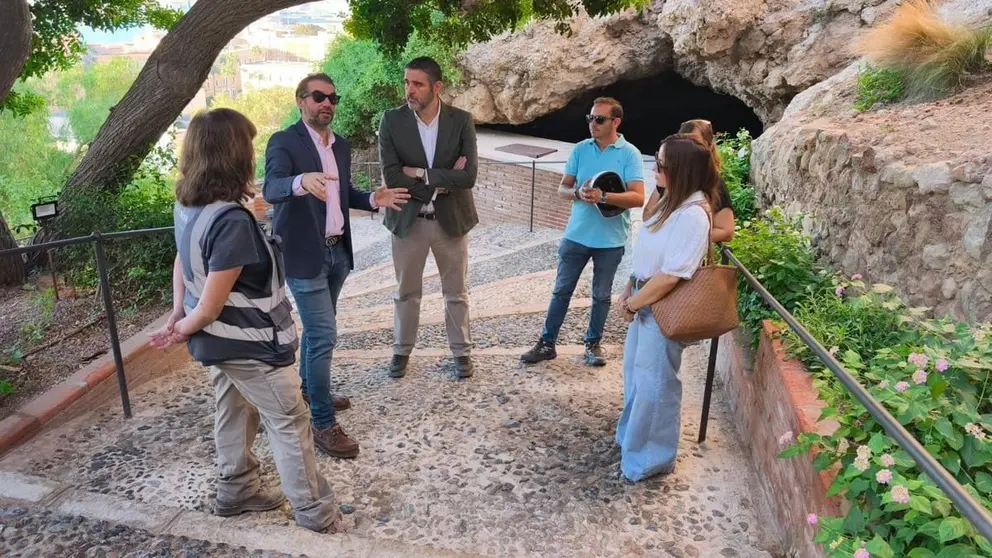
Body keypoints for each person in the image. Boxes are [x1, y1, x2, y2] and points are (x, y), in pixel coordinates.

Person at [149, 108, 343, 533]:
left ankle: (236, 490)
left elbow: (181, 262)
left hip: (219, 344)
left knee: (234, 408)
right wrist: (177, 328)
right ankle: (316, 513)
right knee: (290, 420)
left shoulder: (188, 204)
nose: (254, 153)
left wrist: (178, 312)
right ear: (234, 154)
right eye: (249, 145)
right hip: (250, 343)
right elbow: (214, 305)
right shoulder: (232, 220)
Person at [263, 73, 410, 458]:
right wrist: (299, 181)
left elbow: (344, 194)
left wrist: (372, 198)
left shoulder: (340, 146)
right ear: (301, 101)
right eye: (318, 96)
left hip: (337, 254)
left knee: (316, 332)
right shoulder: (284, 141)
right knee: (324, 334)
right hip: (303, 256)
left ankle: (312, 392)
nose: (326, 103)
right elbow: (271, 187)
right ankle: (322, 423)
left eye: (332, 97)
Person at [615, 133, 719, 482]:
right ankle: (633, 442)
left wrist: (633, 302)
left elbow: (672, 275)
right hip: (646, 301)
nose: (654, 170)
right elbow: (647, 243)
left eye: (661, 165)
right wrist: (631, 285)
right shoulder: (672, 202)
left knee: (655, 385)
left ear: (683, 171)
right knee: (637, 377)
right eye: (655, 162)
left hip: (661, 307)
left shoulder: (693, 215)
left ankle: (650, 459)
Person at [520, 97, 645, 367]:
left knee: (601, 295)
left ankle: (593, 345)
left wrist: (604, 196)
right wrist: (577, 192)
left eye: (599, 119)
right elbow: (562, 189)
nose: (593, 124)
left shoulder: (630, 154)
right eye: (590, 118)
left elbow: (638, 198)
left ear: (616, 122)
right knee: (561, 291)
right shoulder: (580, 150)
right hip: (575, 235)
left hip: (610, 241)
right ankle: (546, 343)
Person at [378, 56, 479, 379]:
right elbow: (392, 175)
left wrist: (421, 173)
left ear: (437, 87)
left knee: (456, 292)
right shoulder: (391, 121)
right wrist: (441, 180)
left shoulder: (461, 120)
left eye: (418, 84)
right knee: (406, 292)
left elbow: (469, 177)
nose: (410, 90)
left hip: (451, 222)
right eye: (407, 82)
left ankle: (461, 353)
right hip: (409, 222)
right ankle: (401, 351)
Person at [678, 119, 736, 242]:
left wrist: (685, 239)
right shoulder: (670, 177)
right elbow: (648, 214)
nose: (689, 146)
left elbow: (726, 231)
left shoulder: (714, 183)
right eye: (684, 141)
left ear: (708, 146)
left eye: (695, 141)